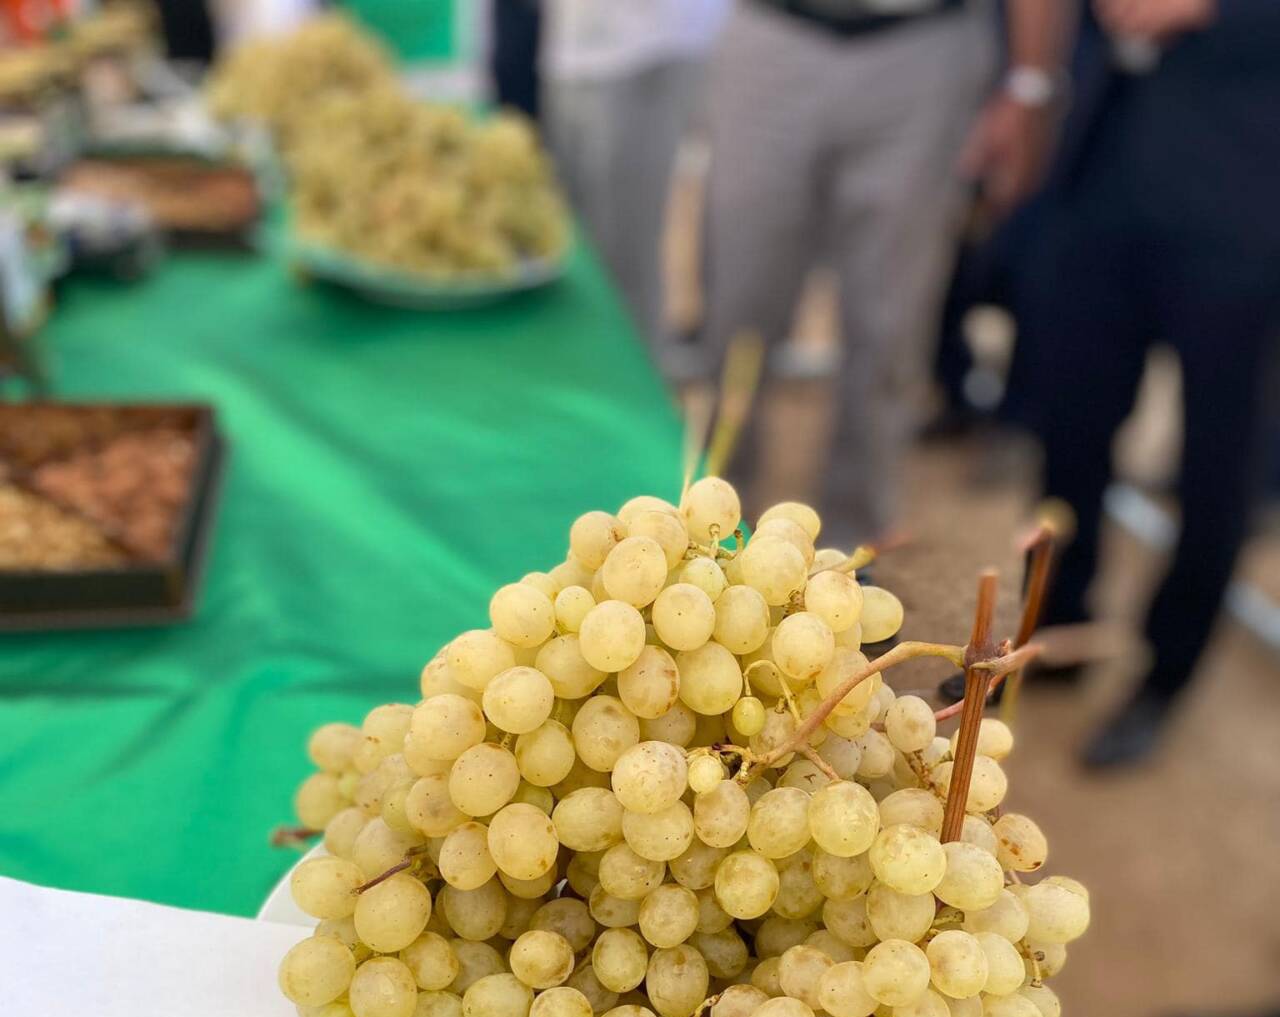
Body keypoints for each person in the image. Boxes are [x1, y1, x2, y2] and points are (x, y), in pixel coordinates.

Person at [698, 0, 1071, 547]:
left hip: (923, 49)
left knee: (890, 322)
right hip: (774, 33)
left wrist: (1030, 83)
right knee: (739, 301)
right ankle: (708, 520)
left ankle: (854, 543)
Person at [1019, 0, 1280, 767]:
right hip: (1107, 162)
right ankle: (1057, 629)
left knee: (1217, 459)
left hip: (1246, 194)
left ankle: (1166, 674)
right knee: (1069, 423)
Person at [539, 1, 729, 349]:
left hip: (644, 50)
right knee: (573, 249)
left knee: (624, 262)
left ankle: (631, 369)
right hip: (577, 47)